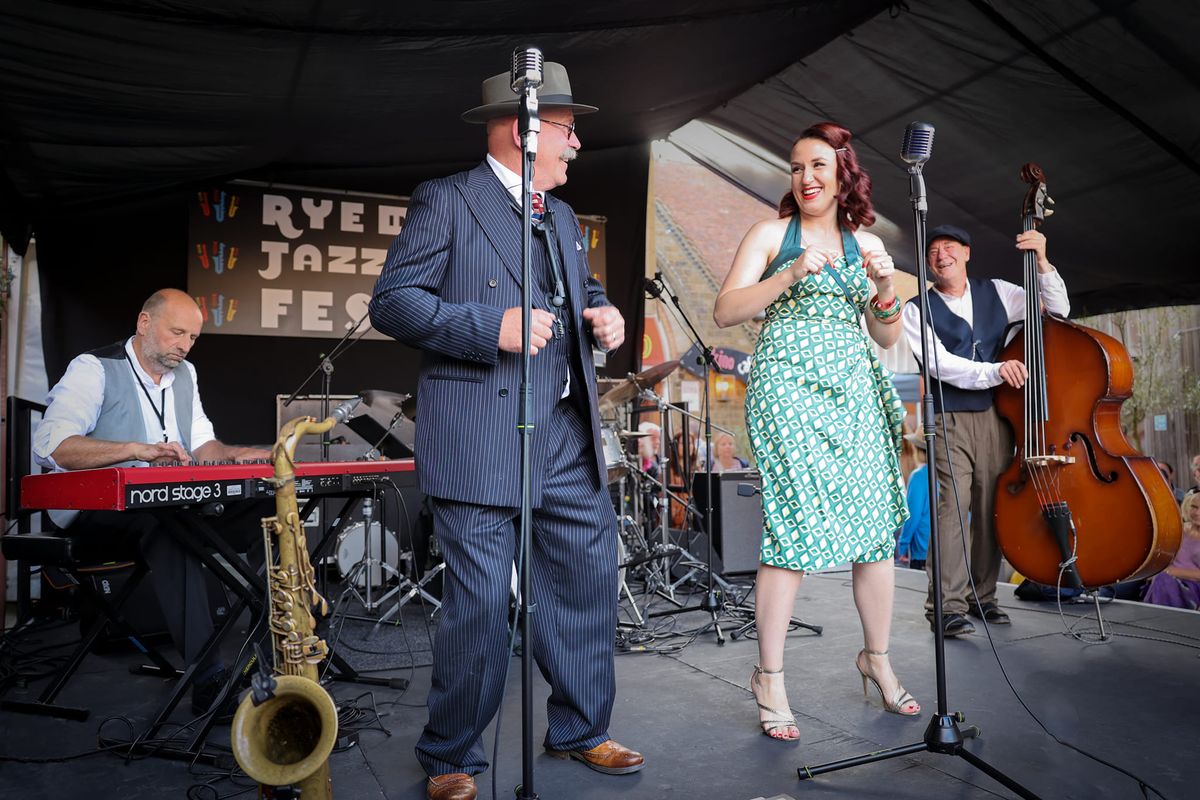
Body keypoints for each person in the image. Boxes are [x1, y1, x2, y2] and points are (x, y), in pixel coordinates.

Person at [368, 62, 640, 800]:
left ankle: (582, 728)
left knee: (585, 580)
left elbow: (576, 292)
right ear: (525, 129)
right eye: (567, 129)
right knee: (483, 599)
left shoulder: (561, 216)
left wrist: (603, 315)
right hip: (480, 429)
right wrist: (491, 327)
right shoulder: (448, 201)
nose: (577, 145)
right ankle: (452, 753)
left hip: (561, 431)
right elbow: (392, 302)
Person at [714, 121, 918, 742]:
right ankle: (769, 676)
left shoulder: (866, 241)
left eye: (819, 166)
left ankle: (876, 658)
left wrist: (885, 287)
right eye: (798, 166)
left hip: (853, 389)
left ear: (841, 176)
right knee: (793, 526)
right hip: (788, 389)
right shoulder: (771, 234)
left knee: (875, 527)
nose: (806, 176)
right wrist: (789, 274)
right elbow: (725, 310)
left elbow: (885, 335)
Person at [32, 288, 271, 713]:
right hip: (95, 513)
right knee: (167, 524)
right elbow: (50, 446)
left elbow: (203, 447)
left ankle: (269, 652)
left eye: (193, 337)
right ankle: (209, 679)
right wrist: (136, 450)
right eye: (177, 332)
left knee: (266, 513)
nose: (185, 345)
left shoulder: (186, 374)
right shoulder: (94, 368)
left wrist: (242, 454)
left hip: (165, 506)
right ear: (144, 323)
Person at [901, 223, 1069, 636]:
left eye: (950, 247)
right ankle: (946, 607)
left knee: (992, 507)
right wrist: (996, 370)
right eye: (934, 250)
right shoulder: (914, 308)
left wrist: (1043, 260)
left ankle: (983, 597)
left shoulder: (999, 290)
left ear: (967, 253)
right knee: (952, 510)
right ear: (927, 262)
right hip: (948, 417)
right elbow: (941, 365)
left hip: (998, 417)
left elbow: (1057, 311)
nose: (942, 255)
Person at [1141, 492, 1200, 608]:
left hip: (1191, 587)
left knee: (1163, 580)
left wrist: (1170, 572)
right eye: (1194, 507)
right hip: (1163, 581)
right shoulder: (1178, 528)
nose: (1197, 513)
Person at [897, 432, 930, 571]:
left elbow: (912, 516)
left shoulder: (919, 476)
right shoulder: (951, 474)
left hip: (923, 551)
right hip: (951, 549)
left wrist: (902, 546)